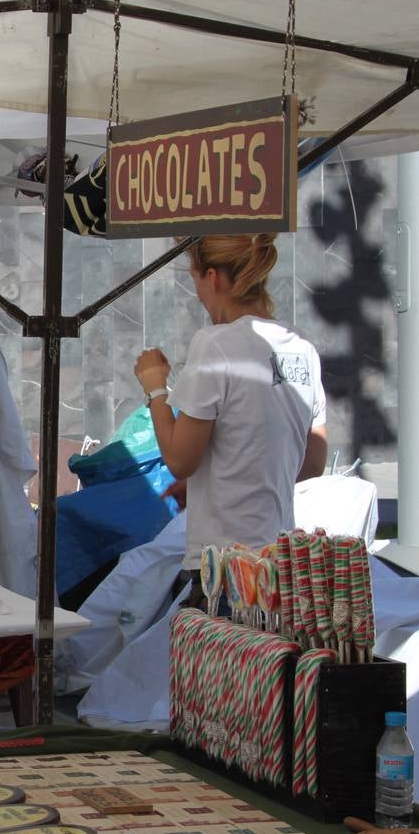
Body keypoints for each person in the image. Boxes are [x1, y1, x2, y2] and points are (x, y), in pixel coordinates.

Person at [132, 233, 328, 606]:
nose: (199, 294)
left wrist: (155, 388)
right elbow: (312, 459)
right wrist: (226, 472)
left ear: (213, 278)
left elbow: (179, 459)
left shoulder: (216, 344)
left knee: (215, 665)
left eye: (195, 281)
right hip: (277, 567)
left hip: (225, 569)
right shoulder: (303, 348)